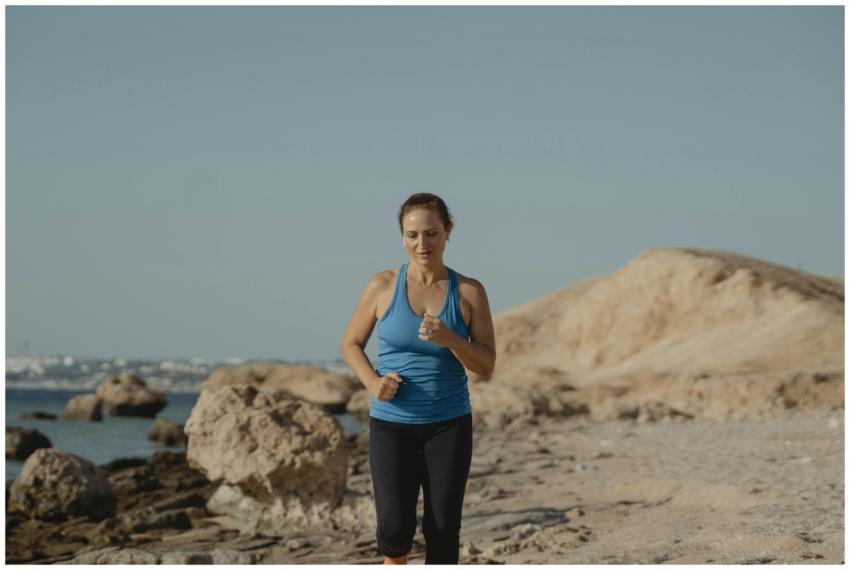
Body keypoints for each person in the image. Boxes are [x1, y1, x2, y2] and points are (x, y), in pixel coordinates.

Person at [340, 192, 496, 564]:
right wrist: (373, 382)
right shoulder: (382, 286)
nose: (421, 244)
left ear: (448, 233)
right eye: (412, 235)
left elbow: (486, 362)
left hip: (449, 426)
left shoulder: (469, 291)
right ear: (402, 237)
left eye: (431, 233)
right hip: (391, 424)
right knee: (394, 531)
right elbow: (351, 343)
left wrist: (452, 340)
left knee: (443, 531)